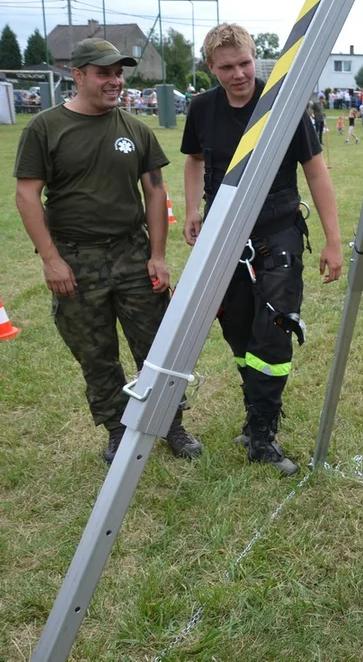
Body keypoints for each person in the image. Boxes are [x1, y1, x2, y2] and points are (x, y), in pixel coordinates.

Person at [13, 38, 201, 463]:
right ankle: (117, 430)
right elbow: (27, 196)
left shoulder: (135, 129)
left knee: (156, 346)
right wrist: (51, 259)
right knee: (95, 353)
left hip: (133, 254)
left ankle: (171, 422)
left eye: (119, 72)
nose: (115, 80)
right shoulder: (45, 128)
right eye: (104, 72)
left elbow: (154, 193)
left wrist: (157, 255)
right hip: (76, 260)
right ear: (78, 76)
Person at [181, 23, 343, 475]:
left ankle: (262, 434)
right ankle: (254, 414)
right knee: (235, 329)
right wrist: (193, 209)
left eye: (245, 63)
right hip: (223, 235)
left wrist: (332, 240)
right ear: (210, 68)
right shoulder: (202, 109)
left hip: (277, 233)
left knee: (272, 331)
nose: (238, 74)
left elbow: (317, 172)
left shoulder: (285, 108)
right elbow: (194, 160)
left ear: (257, 57)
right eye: (227, 67)